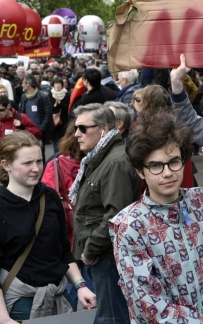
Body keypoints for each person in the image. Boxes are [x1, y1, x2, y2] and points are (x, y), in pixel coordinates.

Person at [109, 116, 203, 323]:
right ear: (140, 171)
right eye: (156, 166)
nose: (168, 173)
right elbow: (148, 305)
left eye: (174, 162)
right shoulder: (131, 226)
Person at [0, 132, 96, 322]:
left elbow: (62, 250)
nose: (36, 168)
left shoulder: (50, 196)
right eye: (27, 163)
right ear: (6, 165)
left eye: (39, 161)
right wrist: (4, 319)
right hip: (21, 304)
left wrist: (80, 285)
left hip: (59, 298)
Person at [70, 104, 141, 324]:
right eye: (75, 128)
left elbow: (115, 217)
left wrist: (90, 250)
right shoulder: (100, 156)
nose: (76, 134)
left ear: (104, 128)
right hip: (100, 256)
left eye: (83, 128)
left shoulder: (115, 162)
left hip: (106, 259)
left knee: (111, 319)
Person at [18, 76, 53, 155]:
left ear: (28, 84)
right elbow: (21, 112)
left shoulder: (43, 97)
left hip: (40, 132)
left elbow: (48, 114)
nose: (22, 85)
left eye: (23, 83)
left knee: (40, 154)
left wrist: (41, 130)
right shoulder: (23, 97)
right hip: (27, 131)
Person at [50, 78, 70, 153]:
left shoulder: (67, 94)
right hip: (54, 121)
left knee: (64, 139)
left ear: (62, 85)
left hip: (64, 121)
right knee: (56, 140)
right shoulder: (50, 94)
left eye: (59, 83)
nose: (57, 85)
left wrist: (59, 102)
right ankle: (56, 156)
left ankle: (64, 155)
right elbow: (49, 108)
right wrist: (55, 105)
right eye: (56, 83)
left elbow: (68, 107)